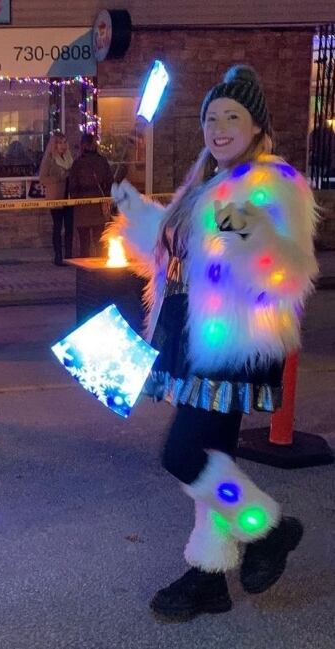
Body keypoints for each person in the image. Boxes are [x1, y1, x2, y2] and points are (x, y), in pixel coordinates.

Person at [109, 65, 318, 621]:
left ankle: (266, 528)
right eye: (211, 118)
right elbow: (170, 248)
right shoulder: (205, 183)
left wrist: (247, 227)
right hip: (185, 335)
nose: (219, 127)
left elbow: (292, 270)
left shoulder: (274, 183)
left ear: (255, 127)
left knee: (183, 454)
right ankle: (208, 577)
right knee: (213, 457)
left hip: (229, 344)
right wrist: (135, 211)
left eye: (232, 117)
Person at [69, 132, 112, 257]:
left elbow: (73, 185)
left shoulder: (77, 164)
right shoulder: (102, 161)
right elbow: (110, 181)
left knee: (84, 243)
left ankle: (85, 273)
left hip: (82, 207)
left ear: (82, 145)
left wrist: (75, 199)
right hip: (98, 206)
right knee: (100, 242)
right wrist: (105, 197)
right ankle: (101, 270)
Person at [38, 131, 74, 265]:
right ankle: (58, 255)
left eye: (65, 142)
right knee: (58, 227)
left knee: (69, 227)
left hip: (70, 197)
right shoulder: (50, 159)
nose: (63, 146)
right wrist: (59, 177)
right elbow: (42, 178)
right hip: (56, 197)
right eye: (60, 143)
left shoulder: (70, 158)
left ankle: (69, 255)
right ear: (55, 144)